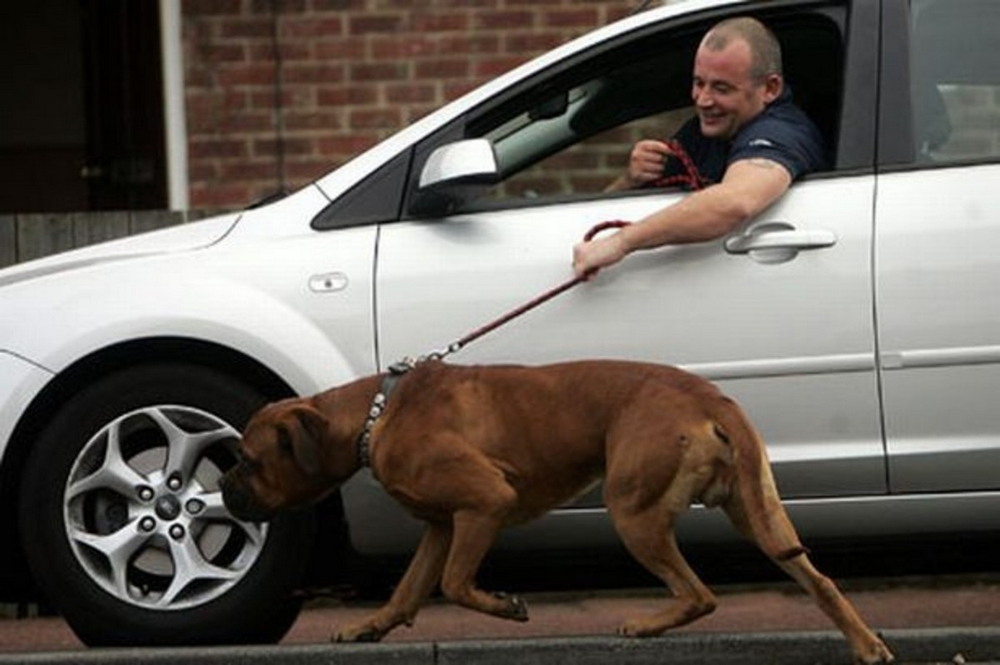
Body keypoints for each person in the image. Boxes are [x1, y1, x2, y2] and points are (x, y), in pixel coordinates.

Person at [572, 16, 828, 277]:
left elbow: (735, 202)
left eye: (721, 88)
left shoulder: (781, 132)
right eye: (699, 83)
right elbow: (609, 208)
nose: (703, 100)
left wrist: (621, 242)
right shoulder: (706, 131)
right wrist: (630, 180)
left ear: (770, 89)